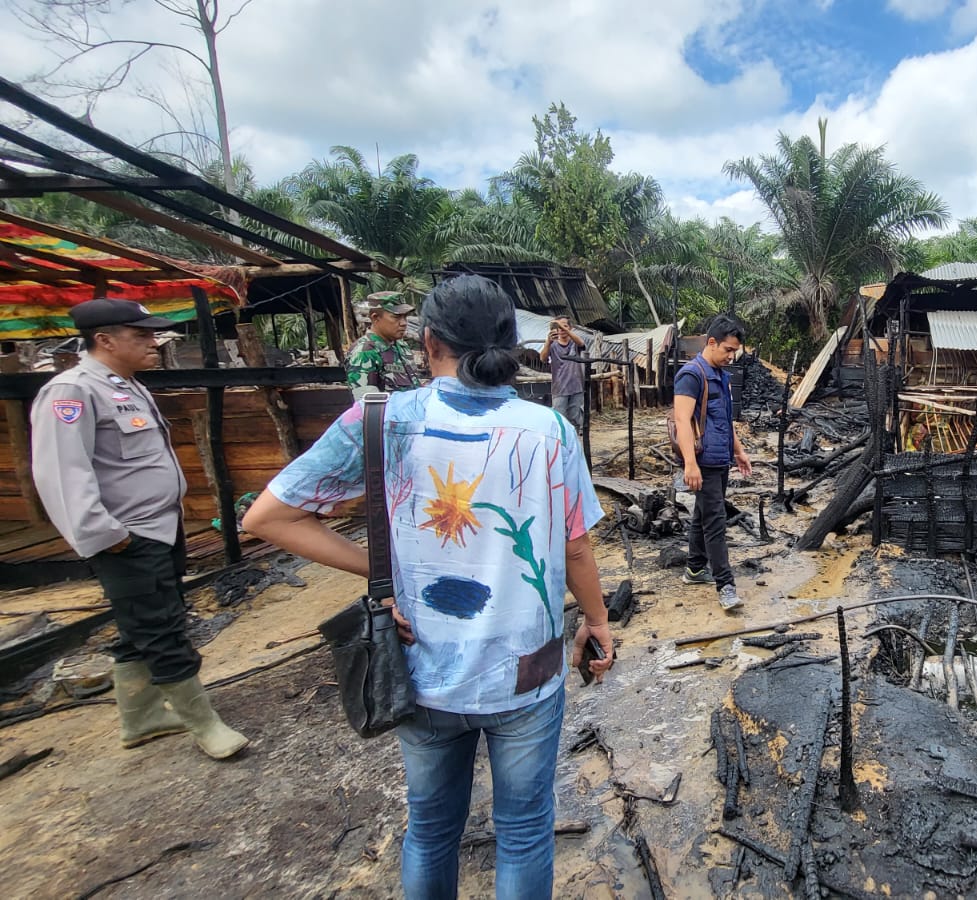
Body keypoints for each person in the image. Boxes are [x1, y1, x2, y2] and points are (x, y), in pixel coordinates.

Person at [242, 276, 613, 899]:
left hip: (422, 664)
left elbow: (268, 517)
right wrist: (596, 620)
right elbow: (575, 546)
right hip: (527, 667)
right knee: (522, 832)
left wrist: (381, 573)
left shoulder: (382, 420)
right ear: (508, 342)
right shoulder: (549, 430)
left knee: (431, 829)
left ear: (429, 341)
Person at [31, 298, 249, 760]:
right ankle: (204, 723)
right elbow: (62, 473)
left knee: (141, 626)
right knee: (162, 627)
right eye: (142, 336)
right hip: (125, 536)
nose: (155, 342)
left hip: (159, 528)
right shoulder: (71, 392)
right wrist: (108, 535)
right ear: (105, 340)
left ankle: (141, 718)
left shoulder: (124, 385)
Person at [674, 314, 752, 612]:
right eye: (728, 350)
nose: (731, 356)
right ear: (711, 342)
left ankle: (694, 569)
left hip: (720, 458)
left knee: (703, 513)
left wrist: (739, 451)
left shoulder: (721, 375)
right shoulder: (691, 375)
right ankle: (726, 585)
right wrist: (690, 464)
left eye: (735, 351)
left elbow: (726, 420)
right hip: (703, 460)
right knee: (715, 521)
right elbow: (682, 420)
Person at [347, 290, 423, 398]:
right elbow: (367, 405)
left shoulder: (401, 346)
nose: (404, 323)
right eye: (396, 317)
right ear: (375, 317)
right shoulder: (364, 352)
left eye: (405, 317)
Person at [538, 316, 587, 431]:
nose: (561, 329)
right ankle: (560, 441)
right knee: (559, 417)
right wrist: (548, 342)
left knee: (575, 416)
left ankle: (574, 441)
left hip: (576, 386)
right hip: (559, 388)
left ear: (570, 328)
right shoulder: (553, 344)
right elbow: (543, 358)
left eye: (564, 326)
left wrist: (561, 327)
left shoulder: (574, 343)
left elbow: (581, 344)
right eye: (559, 327)